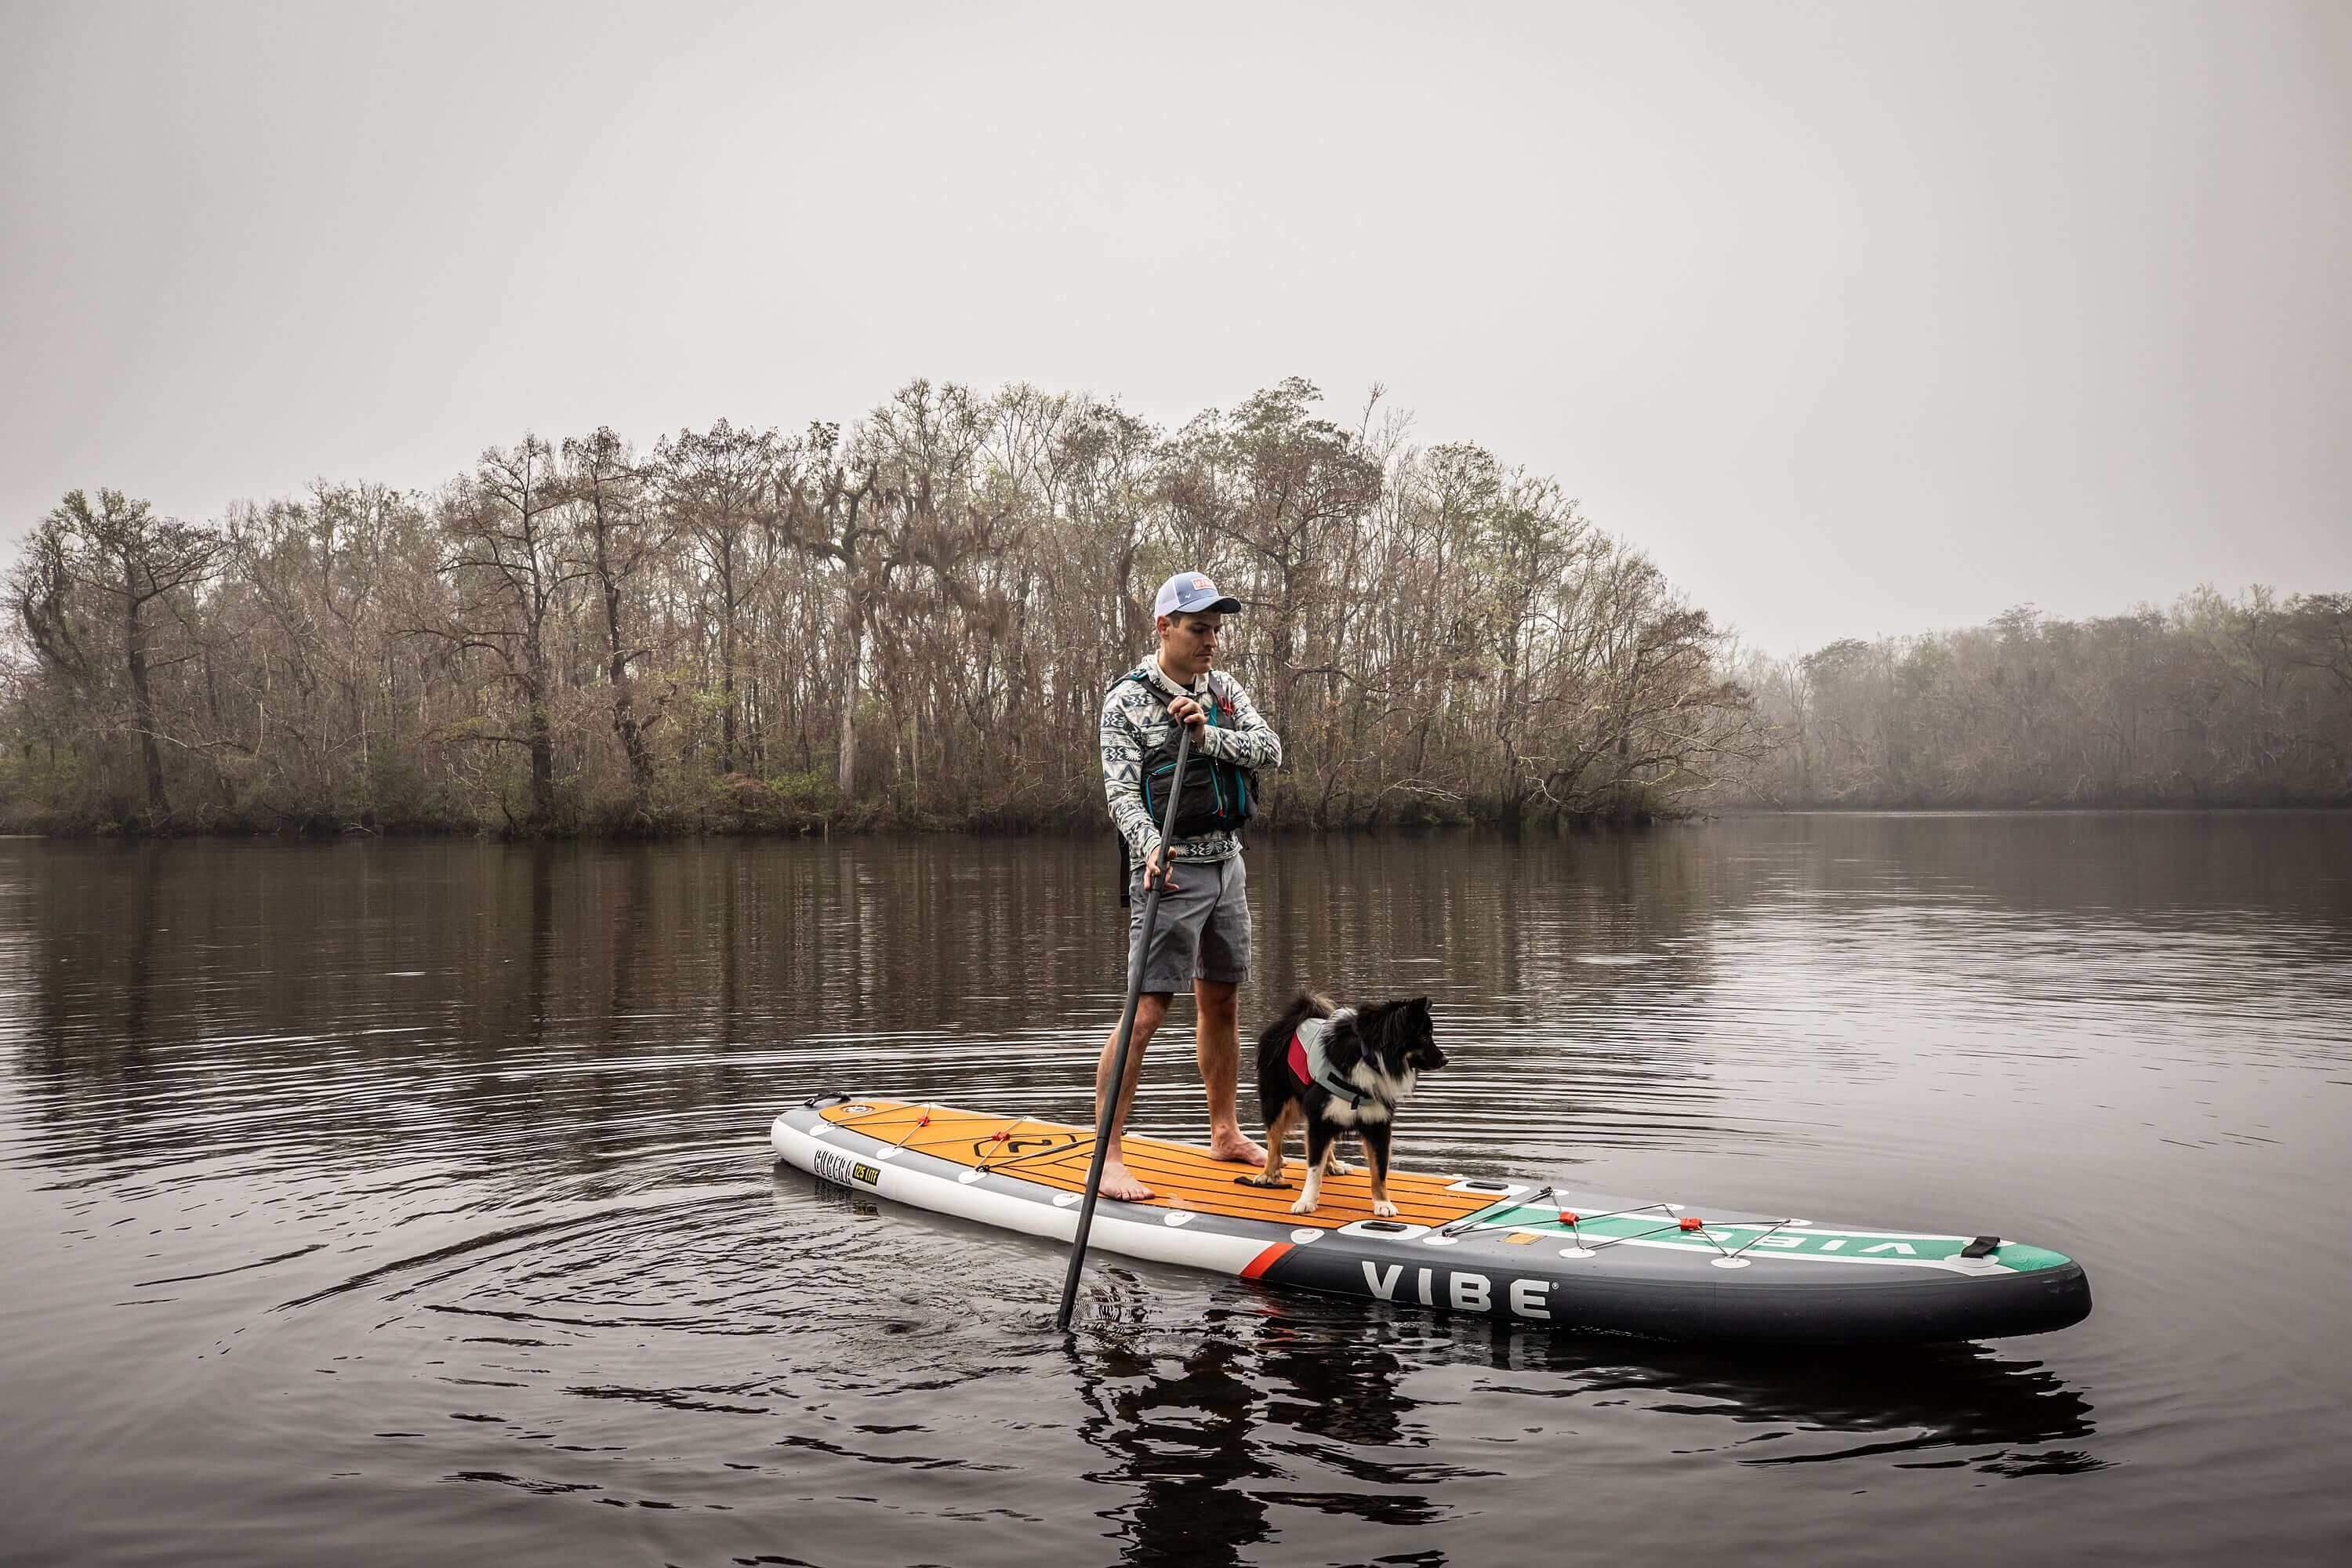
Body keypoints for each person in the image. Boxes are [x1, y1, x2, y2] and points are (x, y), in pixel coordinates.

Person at [1094, 570, 1284, 1201]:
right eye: (1199, 629)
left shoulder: (1223, 690)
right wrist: (1150, 849)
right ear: (1165, 627)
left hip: (1228, 864)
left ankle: (1225, 1133)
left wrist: (1207, 735)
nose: (1211, 641)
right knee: (1146, 1010)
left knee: (1222, 1003)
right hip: (1167, 872)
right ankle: (1110, 1154)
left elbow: (1270, 751)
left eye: (1217, 630)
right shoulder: (1125, 700)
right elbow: (1122, 797)